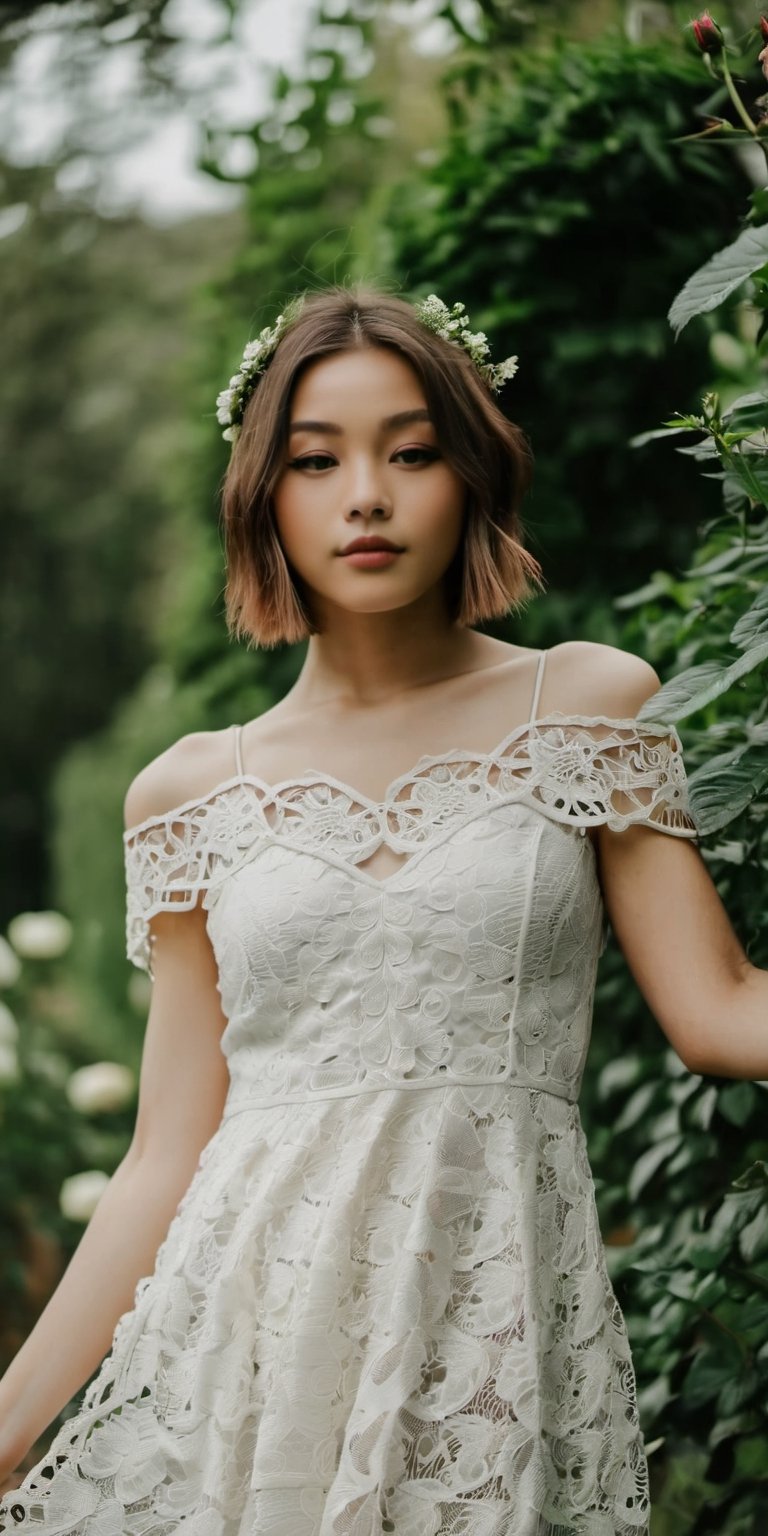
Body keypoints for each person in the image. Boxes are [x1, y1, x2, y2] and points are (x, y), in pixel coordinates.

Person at [0, 284, 765, 1535]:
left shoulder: (584, 706)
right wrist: (11, 1422)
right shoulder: (189, 791)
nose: (367, 494)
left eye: (411, 452)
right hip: (244, 1351)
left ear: (470, 475)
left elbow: (722, 1013)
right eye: (317, 460)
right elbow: (163, 1154)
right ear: (265, 495)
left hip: (493, 1334)